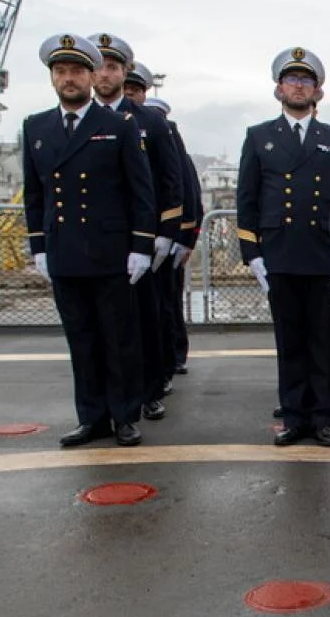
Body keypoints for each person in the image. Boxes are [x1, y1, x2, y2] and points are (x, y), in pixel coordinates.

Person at [22, 33, 156, 447]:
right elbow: (34, 193)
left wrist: (141, 246)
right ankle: (90, 417)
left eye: (77, 71)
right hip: (64, 251)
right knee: (80, 339)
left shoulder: (117, 125)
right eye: (61, 72)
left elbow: (140, 191)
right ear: (52, 78)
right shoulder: (36, 128)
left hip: (110, 251)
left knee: (118, 340)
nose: (69, 79)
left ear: (91, 75)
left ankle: (124, 415)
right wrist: (39, 246)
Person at [236, 47, 330, 447]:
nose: (298, 87)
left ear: (317, 91)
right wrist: (253, 255)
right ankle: (293, 414)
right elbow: (246, 199)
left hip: (322, 255)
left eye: (306, 81)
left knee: (322, 340)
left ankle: (322, 415)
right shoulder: (259, 137)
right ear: (278, 88)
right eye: (292, 80)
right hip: (280, 254)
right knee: (289, 340)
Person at [88, 34, 182, 423]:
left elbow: (170, 181)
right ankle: (101, 403)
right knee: (98, 329)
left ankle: (149, 390)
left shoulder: (150, 123)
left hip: (141, 241)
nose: (105, 73)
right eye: (100, 66)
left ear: (125, 72)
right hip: (96, 242)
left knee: (146, 321)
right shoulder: (78, 122)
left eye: (113, 66)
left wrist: (165, 233)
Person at [141, 94, 202, 380]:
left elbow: (187, 194)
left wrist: (185, 238)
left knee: (168, 304)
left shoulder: (176, 151)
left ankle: (174, 355)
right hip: (141, 240)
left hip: (170, 239)